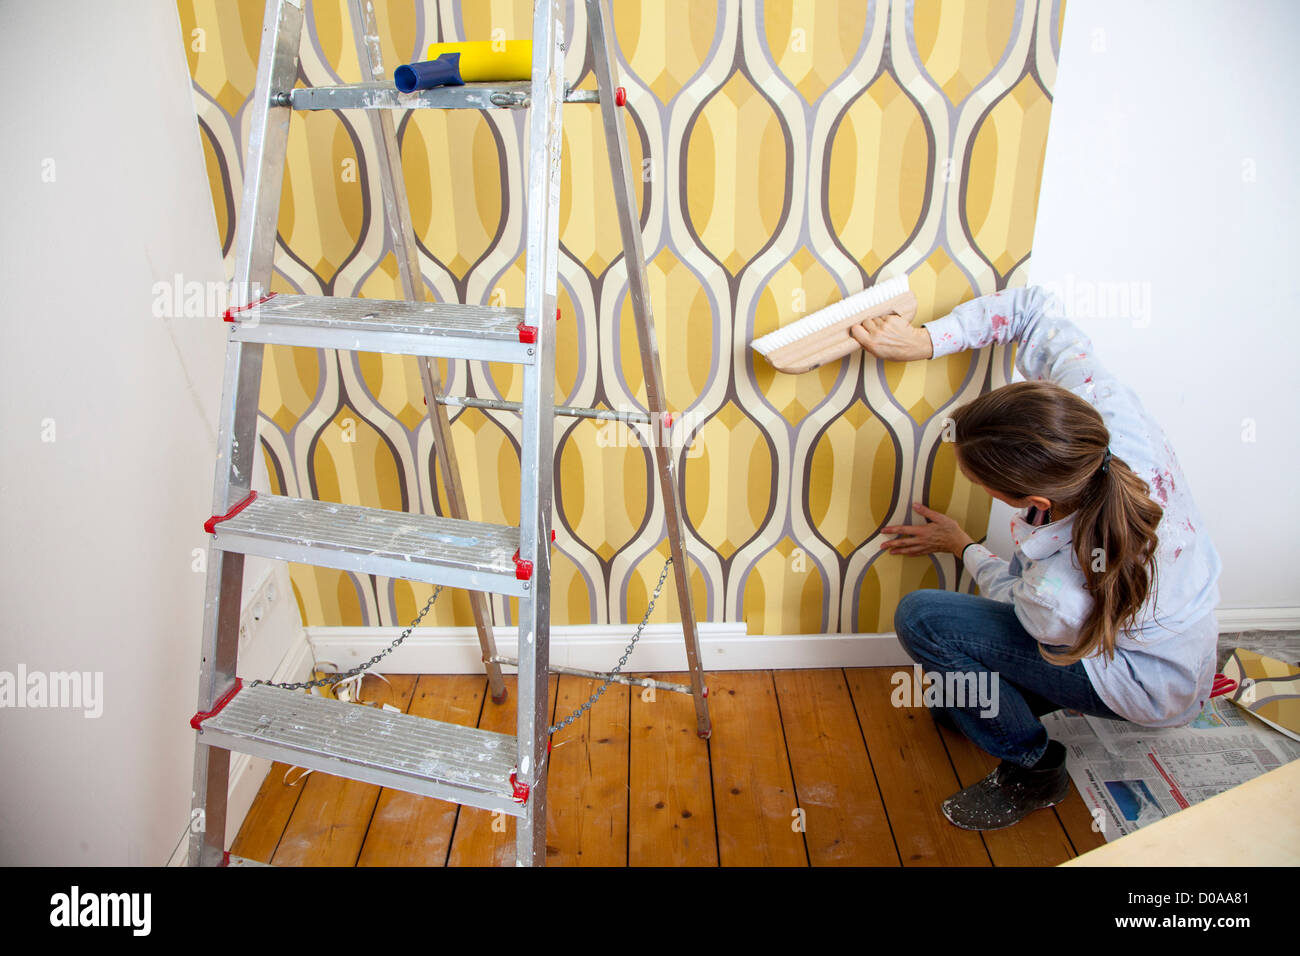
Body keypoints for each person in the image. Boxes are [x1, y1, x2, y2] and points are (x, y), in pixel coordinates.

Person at [848, 285, 1222, 830]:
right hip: (1180, 649)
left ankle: (1034, 766)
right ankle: (1013, 699)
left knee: (924, 620)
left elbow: (1025, 605)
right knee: (954, 703)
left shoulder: (1060, 589)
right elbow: (1032, 309)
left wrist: (964, 547)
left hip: (1141, 684)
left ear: (1034, 503)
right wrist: (923, 341)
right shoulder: (1105, 416)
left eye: (982, 485)